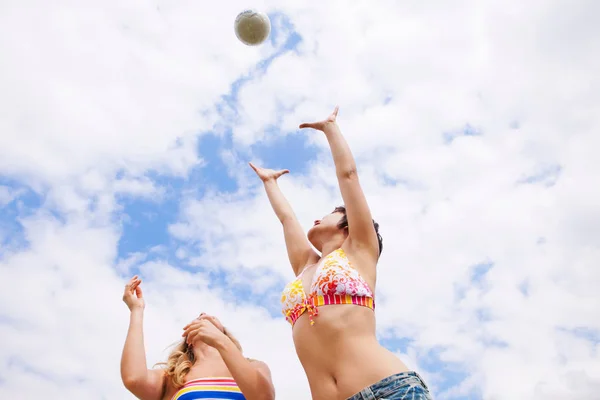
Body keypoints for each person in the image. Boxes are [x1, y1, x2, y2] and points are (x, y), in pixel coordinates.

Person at [249, 106, 432, 400]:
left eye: (332, 212)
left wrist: (330, 129)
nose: (318, 218)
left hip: (388, 390)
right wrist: (270, 184)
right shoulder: (305, 266)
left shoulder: (360, 250)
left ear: (347, 226)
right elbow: (287, 220)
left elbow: (348, 177)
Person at [120, 275, 275, 400]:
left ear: (224, 332)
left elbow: (263, 397)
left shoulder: (254, 366)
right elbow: (134, 379)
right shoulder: (172, 377)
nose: (203, 315)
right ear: (188, 339)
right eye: (198, 318)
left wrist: (221, 341)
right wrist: (136, 310)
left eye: (211, 318)